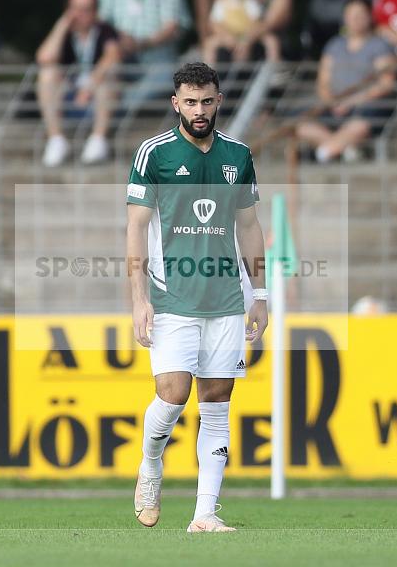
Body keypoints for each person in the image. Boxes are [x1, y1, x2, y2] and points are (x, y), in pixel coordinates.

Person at [126, 62, 267, 533]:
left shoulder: (239, 155)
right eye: (190, 101)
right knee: (172, 394)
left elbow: (248, 225)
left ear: (218, 100)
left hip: (226, 299)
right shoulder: (155, 154)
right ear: (176, 103)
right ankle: (150, 464)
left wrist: (259, 294)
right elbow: (136, 226)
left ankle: (205, 513)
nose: (199, 110)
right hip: (170, 298)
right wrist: (138, 299)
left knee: (217, 399)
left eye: (206, 101)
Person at [296, 0, 395, 164]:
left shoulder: (380, 46)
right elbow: (323, 82)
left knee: (359, 127)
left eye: (360, 15)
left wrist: (352, 101)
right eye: (351, 15)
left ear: (369, 16)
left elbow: (386, 83)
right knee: (301, 126)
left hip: (365, 107)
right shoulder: (334, 45)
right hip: (334, 106)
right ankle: (345, 149)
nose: (355, 20)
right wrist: (332, 101)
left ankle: (322, 152)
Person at [36, 0, 121, 167]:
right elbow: (44, 58)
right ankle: (56, 139)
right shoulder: (65, 32)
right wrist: (61, 25)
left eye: (86, 9)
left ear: (95, 12)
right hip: (69, 92)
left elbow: (112, 56)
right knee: (47, 74)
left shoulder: (105, 30)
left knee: (108, 77)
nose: (80, 14)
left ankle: (98, 139)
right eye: (75, 8)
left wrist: (88, 87)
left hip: (96, 91)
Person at [96, 0, 191, 108]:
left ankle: (120, 108)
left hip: (159, 61)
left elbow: (173, 26)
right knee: (106, 73)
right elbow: (100, 25)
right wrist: (121, 40)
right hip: (120, 58)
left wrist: (142, 43)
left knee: (165, 78)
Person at [202, 0, 280, 63]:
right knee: (210, 44)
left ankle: (274, 69)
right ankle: (208, 74)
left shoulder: (249, 1)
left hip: (248, 35)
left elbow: (257, 21)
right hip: (228, 36)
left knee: (271, 41)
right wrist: (227, 37)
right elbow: (214, 24)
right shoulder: (220, 3)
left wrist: (248, 37)